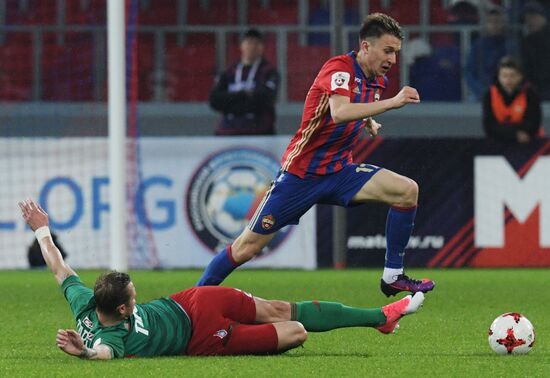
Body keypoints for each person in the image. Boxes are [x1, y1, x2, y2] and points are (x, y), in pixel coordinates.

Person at [197, 13, 435, 297]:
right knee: (246, 247)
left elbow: (352, 108)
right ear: (366, 47)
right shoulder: (339, 68)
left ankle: (393, 276)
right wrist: (392, 103)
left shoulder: (375, 80)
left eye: (396, 52)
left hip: (338, 172)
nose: (393, 60)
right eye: (388, 51)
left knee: (407, 190)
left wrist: (368, 121)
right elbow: (340, 112)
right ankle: (191, 304)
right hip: (301, 175)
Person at [18, 198, 425, 359]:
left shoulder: (86, 305)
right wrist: (85, 354)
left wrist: (42, 229)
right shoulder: (112, 338)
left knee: (281, 308)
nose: (138, 297)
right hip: (203, 339)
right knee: (297, 331)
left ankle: (379, 317)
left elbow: (58, 266)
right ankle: (374, 318)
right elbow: (102, 355)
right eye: (134, 296)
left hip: (192, 301)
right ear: (122, 308)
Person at [209, 28, 279, 135]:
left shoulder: (269, 72)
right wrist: (244, 95)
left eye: (257, 43)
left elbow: (266, 98)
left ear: (262, 47)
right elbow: (214, 100)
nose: (252, 47)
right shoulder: (229, 72)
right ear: (241, 45)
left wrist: (231, 103)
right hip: (228, 133)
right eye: (249, 42)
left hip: (259, 133)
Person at [482, 56, 542, 143]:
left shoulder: (531, 94)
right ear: (499, 77)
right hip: (498, 142)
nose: (508, 80)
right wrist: (513, 134)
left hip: (529, 142)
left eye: (512, 75)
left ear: (520, 76)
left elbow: (534, 124)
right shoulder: (489, 95)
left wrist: (508, 130)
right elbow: (489, 126)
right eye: (504, 75)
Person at [465, 7, 517, 101]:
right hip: (481, 93)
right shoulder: (478, 46)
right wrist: (481, 91)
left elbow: (517, 72)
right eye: (490, 22)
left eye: (497, 21)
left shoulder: (510, 46)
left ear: (503, 23)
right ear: (485, 24)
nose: (494, 25)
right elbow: (469, 72)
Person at [521, 1, 550, 100]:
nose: (530, 21)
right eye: (527, 18)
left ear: (543, 17)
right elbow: (526, 68)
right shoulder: (527, 42)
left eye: (533, 17)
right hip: (537, 89)